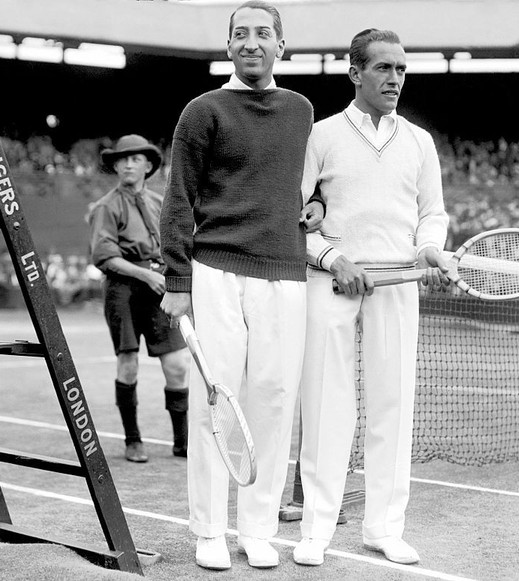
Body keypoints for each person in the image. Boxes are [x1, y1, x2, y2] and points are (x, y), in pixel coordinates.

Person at [159, 1, 324, 571]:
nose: (251, 42)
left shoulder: (302, 111)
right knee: (217, 404)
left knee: (275, 403)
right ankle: (208, 530)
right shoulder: (202, 111)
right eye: (240, 34)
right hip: (215, 272)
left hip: (285, 273)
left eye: (262, 34)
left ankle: (257, 529)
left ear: (282, 44)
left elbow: (310, 184)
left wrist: (319, 203)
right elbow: (179, 197)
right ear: (228, 45)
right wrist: (177, 279)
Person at [293, 29, 450, 567]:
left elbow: (433, 213)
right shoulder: (320, 135)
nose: (395, 78)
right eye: (383, 68)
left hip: (399, 282)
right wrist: (333, 259)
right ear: (356, 73)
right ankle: (315, 529)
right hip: (332, 281)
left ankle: (384, 527)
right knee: (326, 405)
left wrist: (429, 249)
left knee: (393, 404)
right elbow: (296, 215)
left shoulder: (419, 142)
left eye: (402, 69)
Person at [89, 134, 190, 464]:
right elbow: (104, 257)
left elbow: (177, 245)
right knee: (128, 363)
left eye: (137, 159)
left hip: (159, 286)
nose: (129, 164)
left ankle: (182, 440)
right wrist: (147, 275)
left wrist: (172, 278)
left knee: (177, 364)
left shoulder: (160, 203)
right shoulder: (107, 206)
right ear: (116, 166)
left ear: (148, 166)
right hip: (124, 289)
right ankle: (133, 440)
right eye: (123, 159)